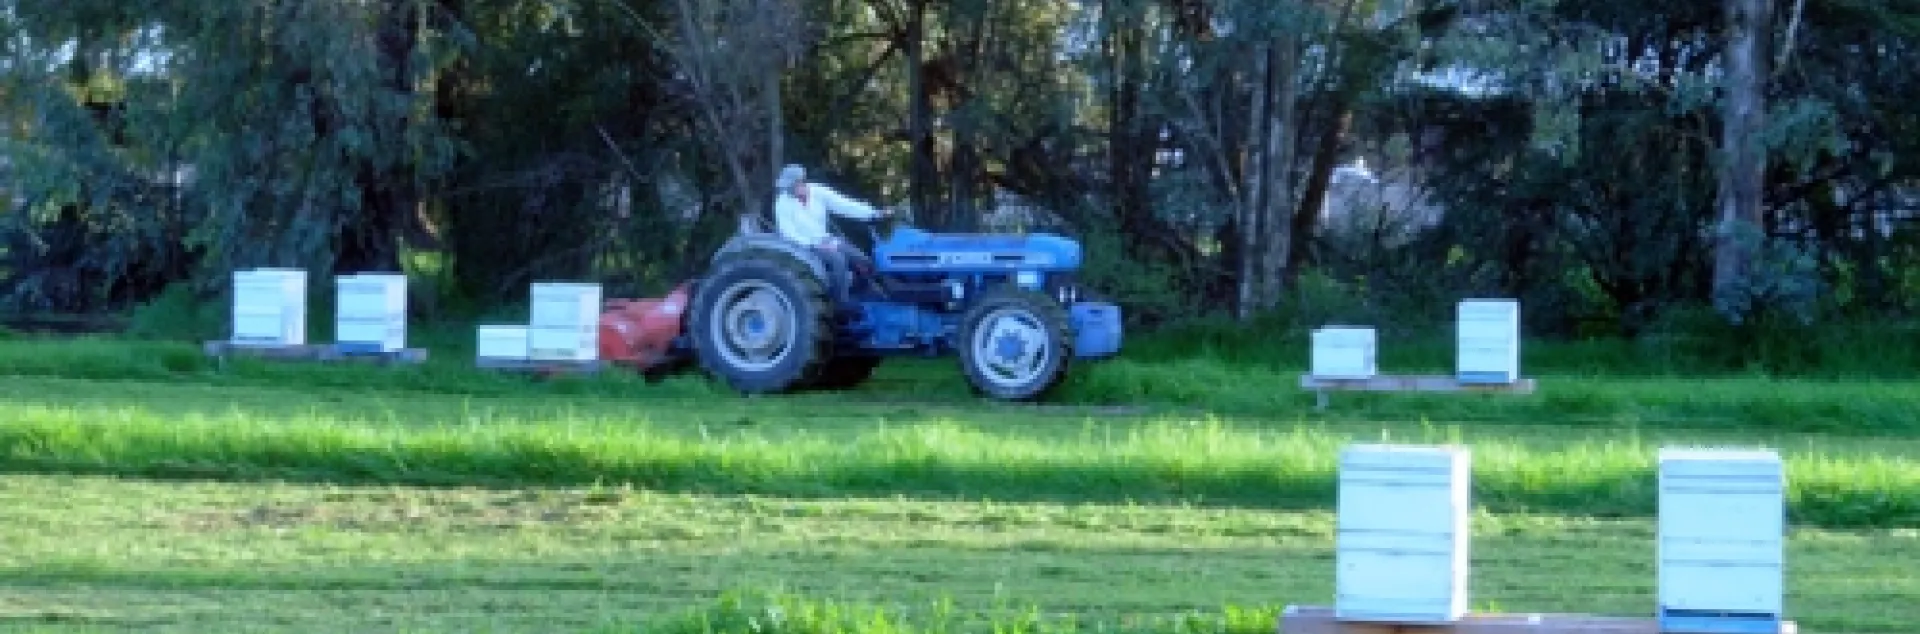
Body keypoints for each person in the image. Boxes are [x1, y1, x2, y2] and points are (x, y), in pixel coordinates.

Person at [771, 164, 889, 301]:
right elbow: (788, 234)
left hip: (825, 239)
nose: (790, 191)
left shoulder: (818, 191)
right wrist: (815, 245)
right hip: (803, 246)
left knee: (862, 259)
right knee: (837, 260)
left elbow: (844, 205)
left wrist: (874, 213)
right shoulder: (782, 203)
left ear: (801, 182)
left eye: (793, 186)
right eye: (788, 188)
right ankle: (841, 304)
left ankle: (863, 292)